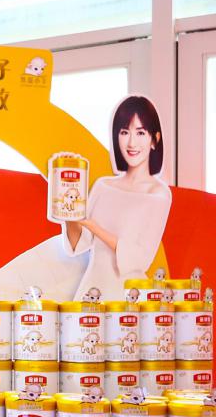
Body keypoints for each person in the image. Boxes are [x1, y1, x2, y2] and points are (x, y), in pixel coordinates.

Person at [61, 95, 172, 301]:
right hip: (91, 289)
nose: (131, 142)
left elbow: (140, 259)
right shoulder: (103, 185)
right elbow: (78, 244)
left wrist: (96, 228)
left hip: (129, 296)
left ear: (154, 140)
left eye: (140, 132)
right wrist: (70, 195)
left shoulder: (158, 194)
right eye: (124, 132)